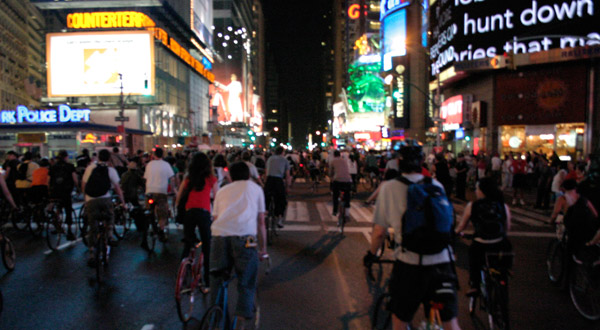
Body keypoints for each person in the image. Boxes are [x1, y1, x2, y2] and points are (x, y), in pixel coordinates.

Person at [364, 142, 461, 330]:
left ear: (399, 163)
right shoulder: (435, 184)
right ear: (422, 162)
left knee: (400, 319)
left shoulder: (389, 188)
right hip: (442, 263)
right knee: (450, 322)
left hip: (410, 265)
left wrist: (371, 254)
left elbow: (379, 232)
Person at [209, 161, 267, 328]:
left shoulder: (222, 191)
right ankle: (241, 320)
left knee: (217, 280)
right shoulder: (256, 189)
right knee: (246, 280)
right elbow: (261, 222)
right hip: (244, 238)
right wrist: (263, 249)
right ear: (249, 175)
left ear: (230, 176)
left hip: (219, 236)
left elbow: (215, 218)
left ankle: (215, 317)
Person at [455, 177, 513, 296]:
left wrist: (455, 233)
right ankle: (505, 271)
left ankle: (475, 285)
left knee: (473, 259)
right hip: (500, 243)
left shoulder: (473, 206)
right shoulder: (502, 205)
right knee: (505, 253)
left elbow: (462, 226)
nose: (475, 191)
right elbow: (507, 226)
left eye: (477, 189)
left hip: (480, 243)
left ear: (482, 191)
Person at [176, 152, 218, 288]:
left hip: (189, 213)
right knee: (207, 245)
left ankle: (182, 272)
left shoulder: (188, 178)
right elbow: (217, 199)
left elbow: (179, 197)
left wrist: (178, 208)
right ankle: (206, 280)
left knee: (187, 244)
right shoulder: (211, 179)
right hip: (204, 213)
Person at [81, 149, 125, 267]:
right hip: (105, 199)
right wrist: (123, 202)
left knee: (92, 226)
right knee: (110, 215)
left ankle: (91, 253)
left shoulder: (90, 168)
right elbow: (117, 188)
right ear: (109, 158)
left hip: (91, 200)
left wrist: (86, 199)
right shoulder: (111, 170)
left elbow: (83, 184)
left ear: (98, 157)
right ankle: (110, 235)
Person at [143, 147, 175, 246]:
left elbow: (145, 178)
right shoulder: (166, 165)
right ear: (163, 155)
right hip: (161, 191)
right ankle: (161, 230)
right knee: (162, 213)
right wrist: (172, 190)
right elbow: (172, 178)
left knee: (149, 210)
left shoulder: (149, 165)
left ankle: (151, 226)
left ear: (154, 155)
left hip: (149, 191)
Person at [561, 179, 600, 260]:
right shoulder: (584, 200)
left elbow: (565, 214)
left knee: (569, 253)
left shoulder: (564, 198)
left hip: (574, 229)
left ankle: (568, 269)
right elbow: (595, 214)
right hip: (588, 228)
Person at [49, 150, 79, 240]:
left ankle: (56, 222)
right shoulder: (70, 166)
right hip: (66, 191)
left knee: (58, 207)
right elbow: (75, 178)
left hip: (55, 190)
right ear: (66, 157)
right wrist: (78, 188)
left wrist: (49, 190)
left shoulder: (53, 167)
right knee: (68, 209)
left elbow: (48, 180)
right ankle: (69, 231)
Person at [264, 147, 291, 228]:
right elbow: (287, 176)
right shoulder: (285, 160)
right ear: (282, 152)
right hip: (278, 181)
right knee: (281, 200)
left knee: (266, 198)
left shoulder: (269, 159)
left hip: (269, 180)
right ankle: (279, 218)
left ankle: (265, 214)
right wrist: (287, 187)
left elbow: (266, 172)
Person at [329, 150, 352, 218]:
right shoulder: (345, 160)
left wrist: (331, 177)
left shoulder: (332, 161)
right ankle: (347, 213)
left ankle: (335, 211)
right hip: (347, 180)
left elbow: (330, 172)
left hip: (337, 180)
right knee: (347, 196)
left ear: (334, 155)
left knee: (335, 196)